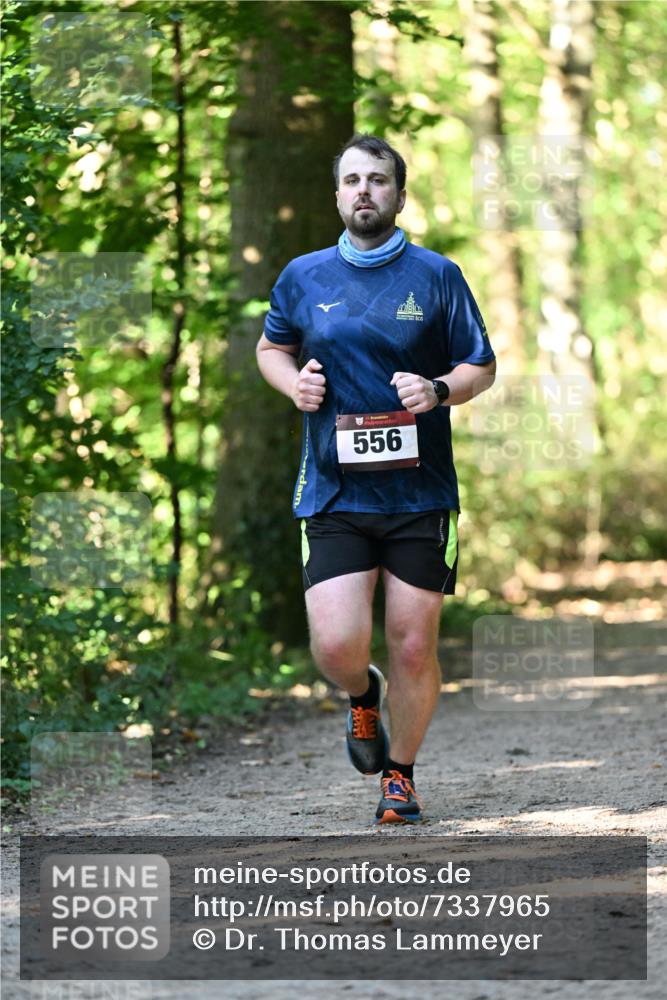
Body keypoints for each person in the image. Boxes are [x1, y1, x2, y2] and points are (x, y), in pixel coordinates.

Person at [256, 134, 496, 824]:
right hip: (333, 490)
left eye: (378, 180)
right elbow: (272, 347)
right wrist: (291, 383)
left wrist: (439, 390)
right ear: (336, 194)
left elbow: (480, 365)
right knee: (335, 646)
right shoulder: (303, 276)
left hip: (420, 495)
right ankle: (364, 697)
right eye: (352, 180)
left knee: (414, 642)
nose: (364, 190)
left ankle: (401, 775)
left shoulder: (436, 275)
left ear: (398, 192)